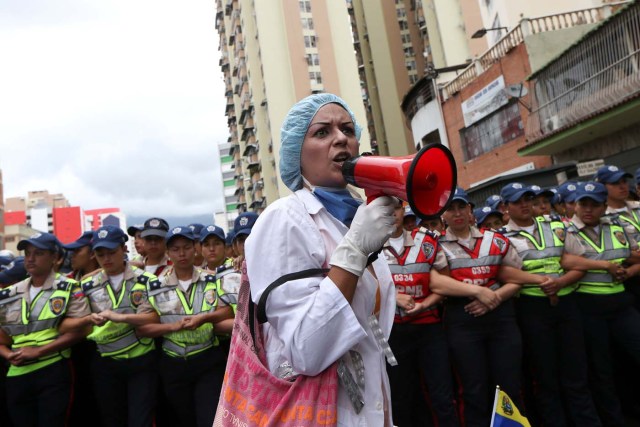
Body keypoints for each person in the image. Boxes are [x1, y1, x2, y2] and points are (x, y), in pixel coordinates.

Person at [243, 93, 397, 425]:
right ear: (296, 156)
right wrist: (355, 249)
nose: (341, 138)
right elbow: (305, 349)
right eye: (322, 132)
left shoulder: (354, 219)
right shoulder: (285, 218)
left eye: (347, 129)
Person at [429, 187, 554, 427]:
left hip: (501, 319)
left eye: (461, 207)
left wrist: (495, 298)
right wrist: (479, 292)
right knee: (474, 389)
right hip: (462, 320)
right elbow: (437, 283)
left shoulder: (495, 239)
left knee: (509, 386)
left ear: (470, 210)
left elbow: (515, 277)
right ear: (442, 215)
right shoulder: (434, 244)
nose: (457, 213)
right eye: (450, 209)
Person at [499, 182, 602, 426]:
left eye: (527, 199)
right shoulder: (501, 236)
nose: (524, 204)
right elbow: (504, 273)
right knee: (546, 379)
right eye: (517, 201)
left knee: (577, 374)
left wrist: (560, 282)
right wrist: (542, 281)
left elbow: (579, 262)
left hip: (566, 305)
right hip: (532, 308)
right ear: (505, 207)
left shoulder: (556, 225)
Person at [62, 225, 159, 427]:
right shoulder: (87, 286)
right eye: (100, 254)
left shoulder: (147, 281)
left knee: (140, 420)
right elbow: (68, 323)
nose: (106, 259)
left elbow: (153, 317)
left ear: (124, 249)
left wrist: (119, 317)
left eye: (111, 252)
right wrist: (88, 320)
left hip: (141, 359)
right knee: (112, 418)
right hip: (105, 361)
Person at [136, 226, 234, 427]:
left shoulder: (211, 279)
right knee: (183, 418)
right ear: (168, 252)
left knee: (209, 418)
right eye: (176, 249)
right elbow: (143, 329)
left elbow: (227, 311)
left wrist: (204, 318)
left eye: (187, 247)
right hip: (173, 362)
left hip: (208, 358)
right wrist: (172, 328)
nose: (182, 254)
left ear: (195, 249)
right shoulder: (156, 287)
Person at [567, 182, 640, 426]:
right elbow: (565, 260)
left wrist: (630, 272)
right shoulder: (565, 230)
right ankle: (614, 420)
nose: (588, 209)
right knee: (602, 369)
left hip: (620, 302)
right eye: (583, 204)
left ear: (604, 206)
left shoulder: (617, 225)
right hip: (588, 306)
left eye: (594, 205)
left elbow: (633, 255)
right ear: (575, 206)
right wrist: (605, 265)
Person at [0, 232, 90, 427]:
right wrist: (7, 354)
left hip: (52, 368)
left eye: (39, 253)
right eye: (27, 253)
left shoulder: (70, 288)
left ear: (55, 258)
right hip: (17, 373)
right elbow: (2, 338)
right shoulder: (8, 294)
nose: (31, 258)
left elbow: (82, 329)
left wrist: (39, 351)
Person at [383, 199, 459, 427]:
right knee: (402, 397)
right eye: (385, 208)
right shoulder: (369, 245)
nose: (392, 214)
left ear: (402, 210)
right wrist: (394, 297)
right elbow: (364, 287)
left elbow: (444, 283)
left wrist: (425, 304)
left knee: (442, 395)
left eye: (395, 208)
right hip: (391, 332)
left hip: (429, 329)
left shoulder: (426, 241)